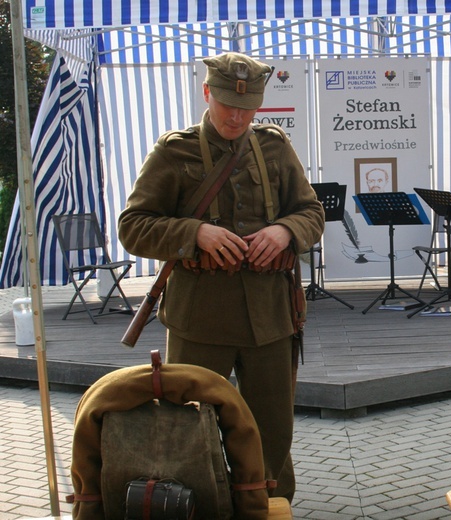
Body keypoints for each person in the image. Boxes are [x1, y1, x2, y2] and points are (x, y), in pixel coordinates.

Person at [118, 51, 325, 502]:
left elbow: (311, 211)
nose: (237, 115)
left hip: (270, 319)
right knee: (190, 428)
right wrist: (195, 233)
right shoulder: (175, 151)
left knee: (271, 433)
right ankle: (197, 507)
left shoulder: (274, 146)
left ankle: (269, 507)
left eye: (248, 108)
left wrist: (285, 230)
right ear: (207, 92)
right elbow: (132, 227)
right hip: (200, 320)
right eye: (228, 102)